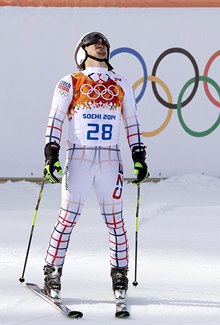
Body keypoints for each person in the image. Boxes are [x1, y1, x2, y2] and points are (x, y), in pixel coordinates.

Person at [41, 31, 149, 301]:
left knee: (116, 221)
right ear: (82, 51)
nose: (101, 46)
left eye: (104, 44)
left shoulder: (121, 82)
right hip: (79, 158)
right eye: (94, 43)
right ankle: (52, 271)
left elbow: (132, 122)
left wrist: (139, 156)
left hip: (111, 160)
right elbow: (55, 118)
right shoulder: (70, 82)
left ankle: (119, 272)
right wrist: (51, 153)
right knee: (67, 218)